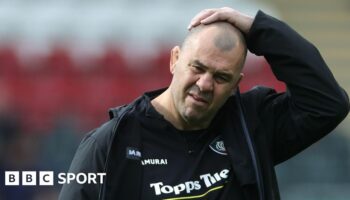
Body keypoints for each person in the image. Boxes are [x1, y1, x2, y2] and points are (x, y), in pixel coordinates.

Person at [59, 7, 349, 200]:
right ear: (175, 60)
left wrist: (258, 29)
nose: (205, 84)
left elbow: (328, 103)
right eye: (197, 67)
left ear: (237, 83)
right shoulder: (111, 143)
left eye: (221, 77)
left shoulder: (251, 124)